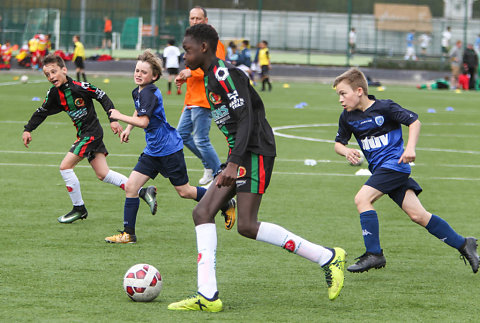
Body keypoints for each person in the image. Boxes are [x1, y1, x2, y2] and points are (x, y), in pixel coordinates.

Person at [168, 23, 346, 313]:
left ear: (203, 48)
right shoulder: (210, 77)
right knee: (202, 212)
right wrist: (231, 160)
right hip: (242, 153)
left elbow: (247, 118)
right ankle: (207, 296)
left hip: (255, 152)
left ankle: (328, 257)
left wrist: (234, 162)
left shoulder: (225, 74)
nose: (183, 56)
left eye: (187, 50)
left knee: (247, 224)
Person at [332, 67, 478, 275]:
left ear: (358, 91)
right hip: (381, 171)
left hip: (395, 166)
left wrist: (410, 148)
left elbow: (414, 122)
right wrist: (346, 151)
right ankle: (464, 244)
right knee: (418, 215)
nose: (340, 99)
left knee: (362, 199)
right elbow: (338, 143)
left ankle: (374, 254)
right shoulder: (347, 117)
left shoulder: (385, 107)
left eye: (343, 93)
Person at [105, 50, 235, 243]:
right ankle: (128, 234)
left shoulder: (150, 92)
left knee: (185, 192)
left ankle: (225, 201)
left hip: (169, 150)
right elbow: (139, 111)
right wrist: (128, 129)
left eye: (144, 72)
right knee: (131, 187)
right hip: (153, 150)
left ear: (155, 76)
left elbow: (144, 122)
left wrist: (118, 116)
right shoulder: (139, 91)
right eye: (137, 70)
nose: (138, 74)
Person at [22, 54, 157, 224]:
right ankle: (144, 191)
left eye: (54, 72)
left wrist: (113, 120)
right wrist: (28, 129)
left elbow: (102, 96)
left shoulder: (80, 87)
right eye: (47, 75)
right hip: (85, 134)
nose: (51, 77)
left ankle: (79, 208)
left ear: (64, 69)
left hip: (91, 134)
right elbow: (42, 111)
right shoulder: (54, 94)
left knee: (65, 167)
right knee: (103, 174)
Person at [175, 6, 225, 186]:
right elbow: (194, 70)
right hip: (192, 100)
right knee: (181, 135)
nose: (195, 21)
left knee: (201, 140)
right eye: (192, 18)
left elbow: (216, 70)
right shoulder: (192, 42)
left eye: (198, 18)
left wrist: (190, 73)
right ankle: (210, 166)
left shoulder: (214, 42)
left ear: (205, 20)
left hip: (205, 99)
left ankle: (219, 175)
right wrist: (185, 77)